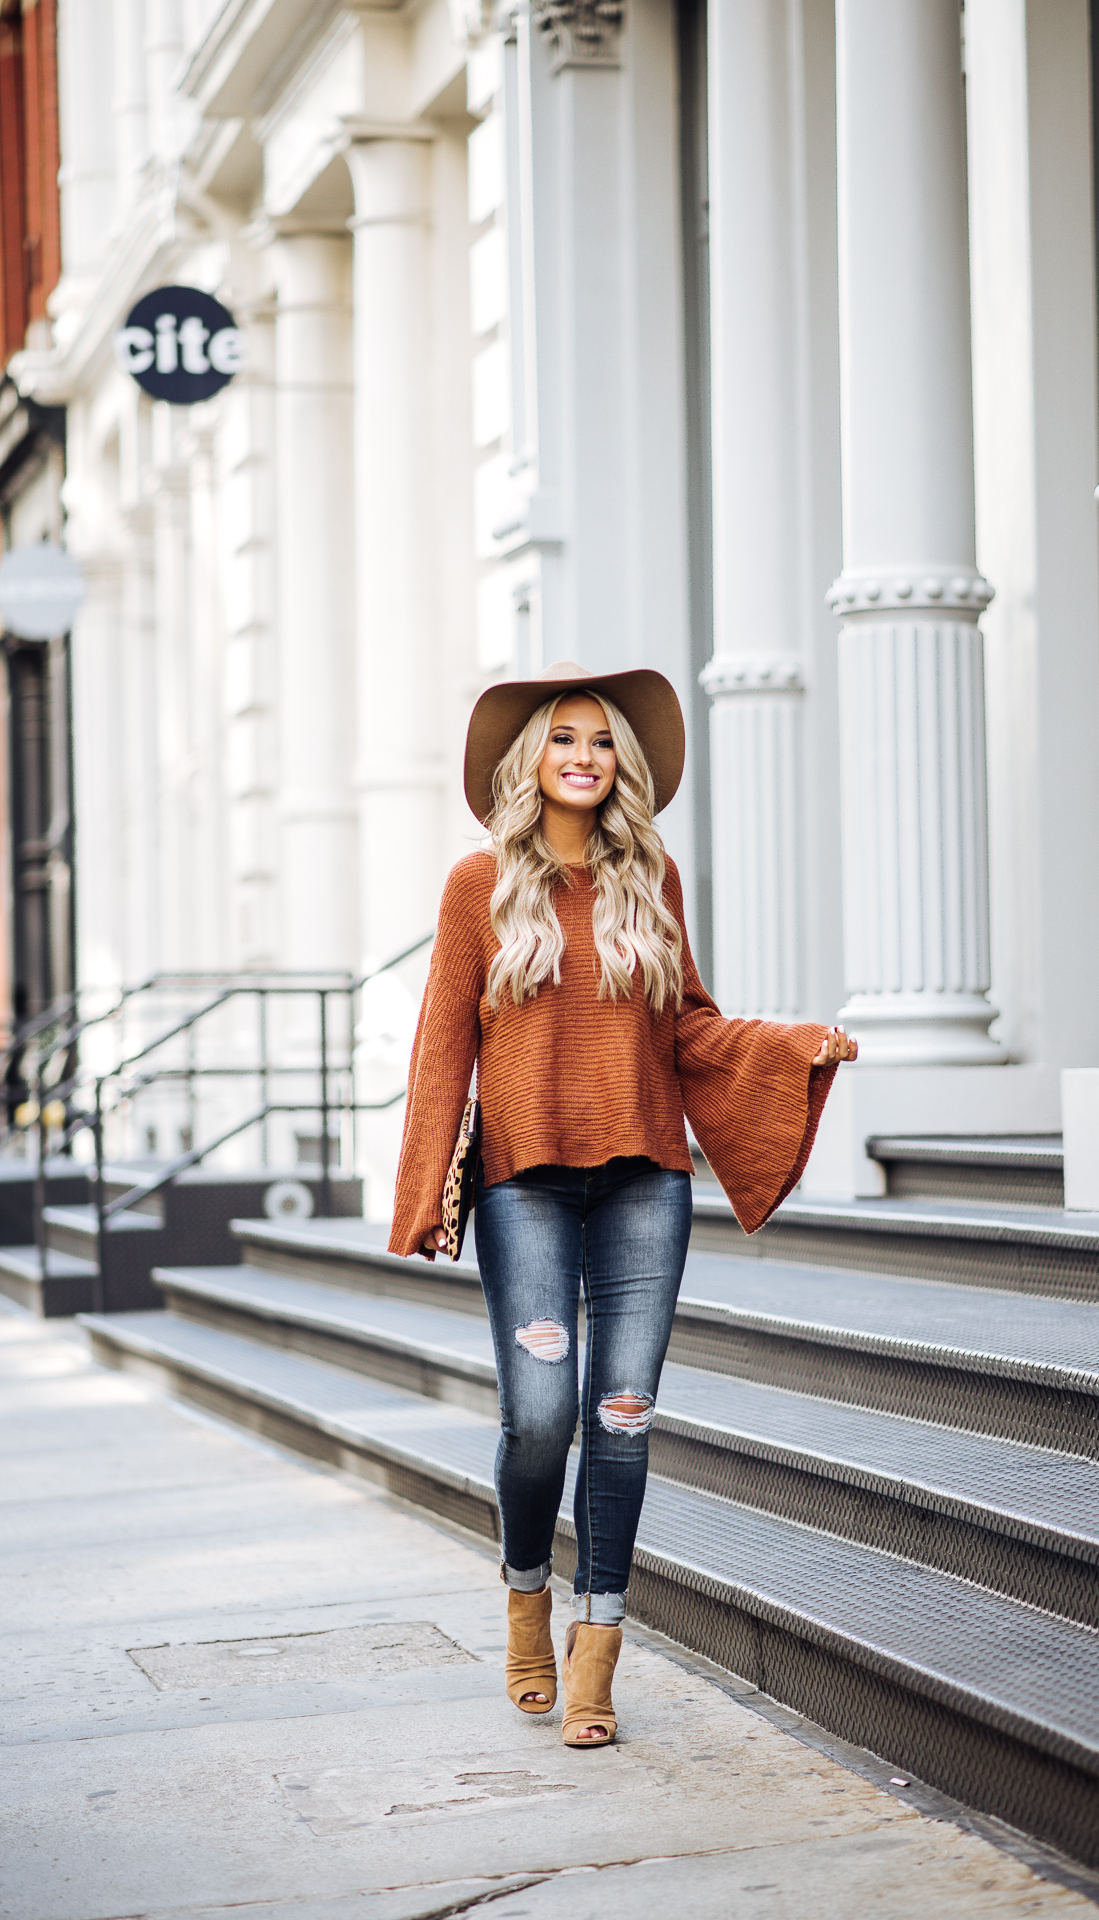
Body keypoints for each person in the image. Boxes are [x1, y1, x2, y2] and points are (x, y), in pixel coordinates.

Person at [389, 661, 855, 1749]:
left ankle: (597, 1649)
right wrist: (421, 1193)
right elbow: (440, 1048)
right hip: (524, 1181)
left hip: (644, 1175)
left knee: (622, 1416)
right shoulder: (477, 886)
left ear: (622, 764)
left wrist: (789, 1046)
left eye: (601, 742)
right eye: (564, 739)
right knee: (542, 1411)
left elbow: (689, 1026)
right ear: (529, 762)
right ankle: (523, 1591)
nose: (585, 758)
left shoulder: (651, 875)